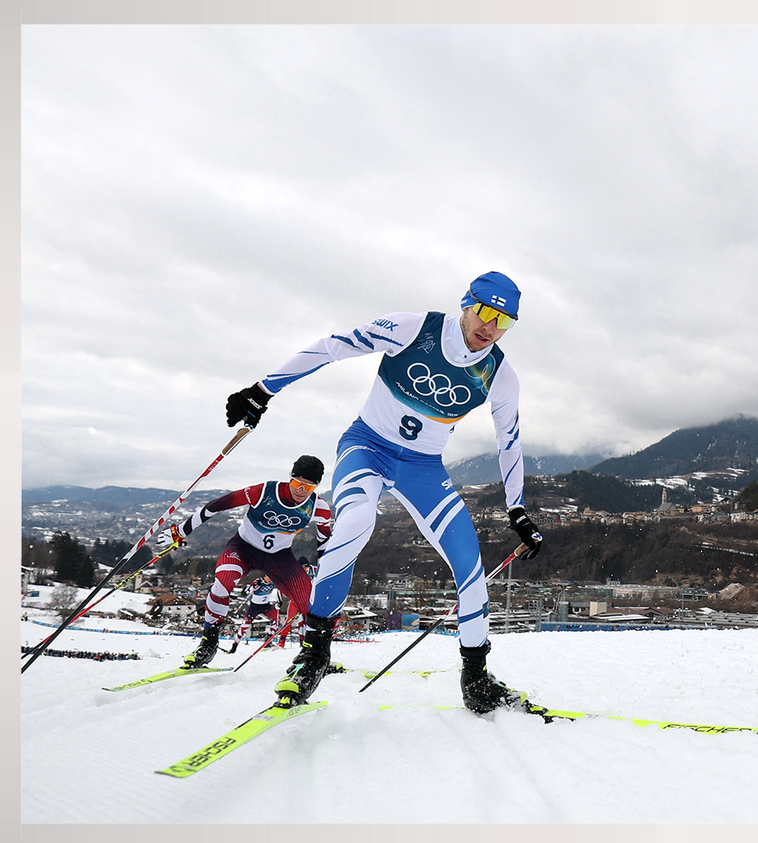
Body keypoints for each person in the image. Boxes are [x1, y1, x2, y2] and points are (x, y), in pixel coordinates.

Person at [222, 271, 545, 714]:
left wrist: (517, 509)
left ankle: (476, 680)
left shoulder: (500, 375)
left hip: (423, 467)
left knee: (470, 565)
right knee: (355, 522)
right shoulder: (413, 328)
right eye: (486, 312)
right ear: (466, 304)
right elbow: (333, 346)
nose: (490, 327)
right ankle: (313, 654)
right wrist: (264, 389)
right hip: (367, 447)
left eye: (504, 321)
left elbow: (509, 441)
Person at [156, 455, 332, 669]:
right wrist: (181, 531)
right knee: (223, 582)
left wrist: (327, 571)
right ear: (290, 478)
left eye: (309, 487)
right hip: (244, 548)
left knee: (310, 602)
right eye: (297, 484)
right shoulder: (264, 491)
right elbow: (214, 506)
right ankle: (208, 645)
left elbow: (324, 540)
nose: (301, 491)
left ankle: (314, 656)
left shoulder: (318, 507)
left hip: (279, 557)